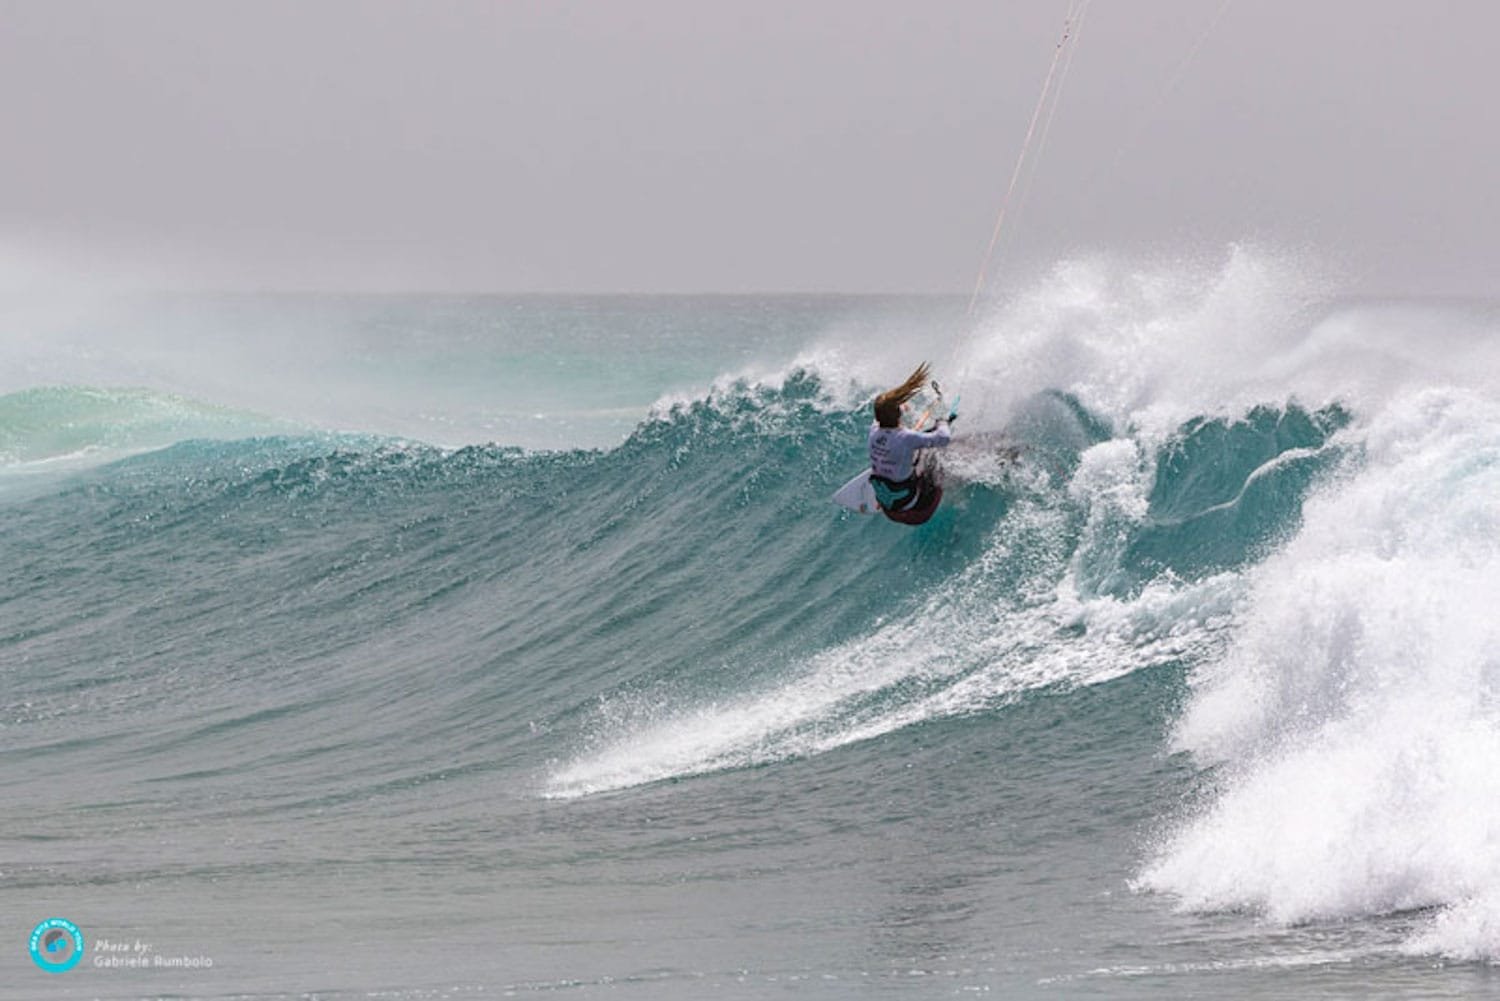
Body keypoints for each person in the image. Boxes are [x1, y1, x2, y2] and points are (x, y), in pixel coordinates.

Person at [868, 362, 952, 525]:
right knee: (932, 452)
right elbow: (944, 438)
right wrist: (942, 420)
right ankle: (953, 481)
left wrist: (898, 408)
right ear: (898, 413)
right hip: (919, 512)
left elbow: (883, 414)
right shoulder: (906, 437)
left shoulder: (873, 431)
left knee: (912, 452)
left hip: (890, 511)